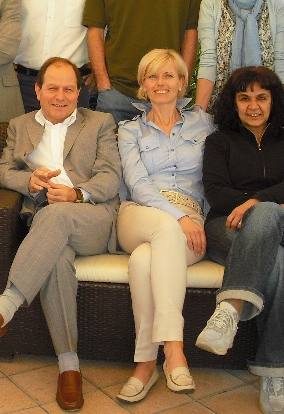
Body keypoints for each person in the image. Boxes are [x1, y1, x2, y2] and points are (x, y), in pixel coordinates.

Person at [0, 57, 121, 411]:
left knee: (56, 214)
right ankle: (69, 366)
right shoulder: (20, 125)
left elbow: (111, 178)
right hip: (48, 227)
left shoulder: (100, 122)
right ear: (37, 91)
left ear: (79, 93)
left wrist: (76, 194)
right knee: (57, 260)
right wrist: (29, 181)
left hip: (92, 218)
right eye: (52, 88)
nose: (60, 96)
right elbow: (3, 171)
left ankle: (5, 307)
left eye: (69, 89)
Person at [196, 66, 284, 414]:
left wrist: (256, 203)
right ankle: (273, 373)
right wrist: (261, 203)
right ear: (234, 103)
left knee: (266, 215)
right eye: (244, 98)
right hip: (226, 227)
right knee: (274, 263)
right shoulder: (219, 142)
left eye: (262, 97)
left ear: (275, 101)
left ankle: (230, 309)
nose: (253, 106)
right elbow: (216, 192)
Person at [116, 49, 215, 402]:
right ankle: (174, 348)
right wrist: (179, 218)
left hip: (190, 217)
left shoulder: (204, 124)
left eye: (169, 75)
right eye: (153, 76)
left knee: (144, 261)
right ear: (143, 84)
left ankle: (145, 364)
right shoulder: (129, 130)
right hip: (139, 214)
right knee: (166, 228)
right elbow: (138, 184)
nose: (161, 83)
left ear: (182, 83)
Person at [195, 0, 284, 111]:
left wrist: (279, 112)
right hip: (221, 107)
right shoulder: (211, 4)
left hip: (263, 108)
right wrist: (198, 114)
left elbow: (279, 60)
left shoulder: (276, 7)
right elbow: (208, 60)